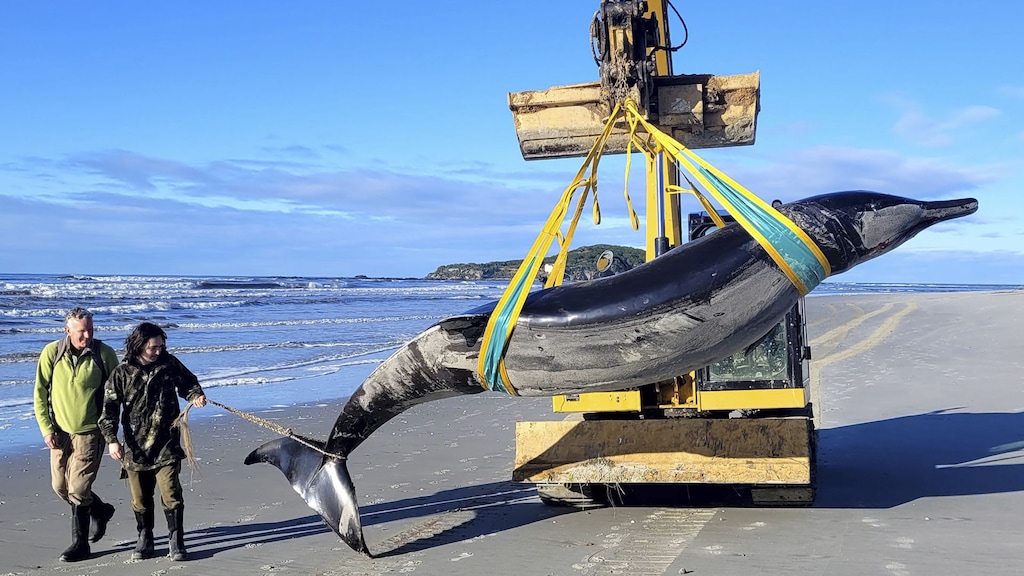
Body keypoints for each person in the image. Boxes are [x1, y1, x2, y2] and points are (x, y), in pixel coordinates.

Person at [98, 322, 207, 562]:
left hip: (167, 442)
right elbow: (109, 410)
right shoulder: (122, 373)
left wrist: (196, 395)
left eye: (161, 346)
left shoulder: (169, 364)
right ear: (139, 345)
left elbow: (188, 383)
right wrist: (111, 441)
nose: (158, 351)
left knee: (171, 493)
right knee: (140, 498)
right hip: (135, 448)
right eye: (153, 347)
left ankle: (176, 540)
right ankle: (145, 537)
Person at [33, 307, 120, 562]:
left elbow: (116, 394)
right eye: (81, 331)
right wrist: (46, 429)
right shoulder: (52, 352)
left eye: (90, 330)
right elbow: (40, 393)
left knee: (79, 489)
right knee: (60, 487)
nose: (87, 335)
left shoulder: (104, 354)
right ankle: (101, 510)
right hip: (59, 432)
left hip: (91, 432)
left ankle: (80, 545)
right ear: (67, 330)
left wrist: (113, 433)